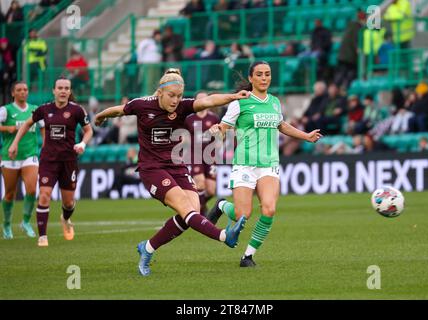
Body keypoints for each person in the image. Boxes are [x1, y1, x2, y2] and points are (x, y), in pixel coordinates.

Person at [94, 68, 248, 276]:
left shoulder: (183, 107)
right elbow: (119, 110)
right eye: (171, 96)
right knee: (186, 208)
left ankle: (147, 248)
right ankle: (224, 236)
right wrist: (101, 116)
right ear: (159, 93)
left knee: (191, 211)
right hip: (152, 169)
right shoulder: (142, 105)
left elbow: (208, 101)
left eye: (179, 96)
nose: (176, 100)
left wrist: (233, 97)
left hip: (176, 165)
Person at [206, 61, 322, 267]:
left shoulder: (275, 102)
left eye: (267, 74)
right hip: (244, 163)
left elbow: (281, 125)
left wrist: (306, 136)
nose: (264, 78)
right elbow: (224, 126)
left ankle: (248, 256)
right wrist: (218, 130)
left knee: (269, 209)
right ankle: (222, 205)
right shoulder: (239, 102)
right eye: (259, 74)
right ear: (251, 78)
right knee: (244, 214)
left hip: (269, 163)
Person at [8, 77, 93, 247]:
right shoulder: (44, 109)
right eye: (60, 88)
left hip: (69, 161)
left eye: (66, 88)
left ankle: (65, 218)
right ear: (54, 90)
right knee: (44, 195)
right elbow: (26, 124)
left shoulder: (77, 110)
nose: (63, 91)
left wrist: (82, 144)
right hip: (48, 160)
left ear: (70, 91)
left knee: (68, 203)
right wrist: (14, 143)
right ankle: (43, 237)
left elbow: (88, 130)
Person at [0, 82, 44, 239]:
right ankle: (6, 225)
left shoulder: (34, 109)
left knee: (32, 189)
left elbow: (43, 127)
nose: (23, 92)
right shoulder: (6, 110)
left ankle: (25, 221)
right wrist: (7, 129)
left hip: (29, 155)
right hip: (10, 156)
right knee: (10, 193)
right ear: (13, 93)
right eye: (19, 90)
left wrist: (45, 145)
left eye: (25, 89)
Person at [184, 91, 220, 215]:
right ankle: (199, 212)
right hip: (196, 155)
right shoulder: (189, 119)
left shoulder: (214, 118)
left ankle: (201, 205)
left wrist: (219, 136)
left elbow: (221, 136)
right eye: (200, 99)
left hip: (210, 156)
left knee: (211, 190)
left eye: (205, 99)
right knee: (200, 183)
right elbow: (184, 137)